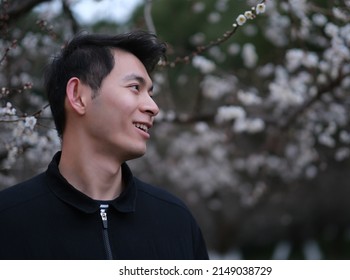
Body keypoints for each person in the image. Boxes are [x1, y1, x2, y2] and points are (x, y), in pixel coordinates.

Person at [0, 30, 209, 260]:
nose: (153, 107)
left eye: (150, 92)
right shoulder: (9, 220)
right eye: (134, 87)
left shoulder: (175, 221)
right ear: (78, 96)